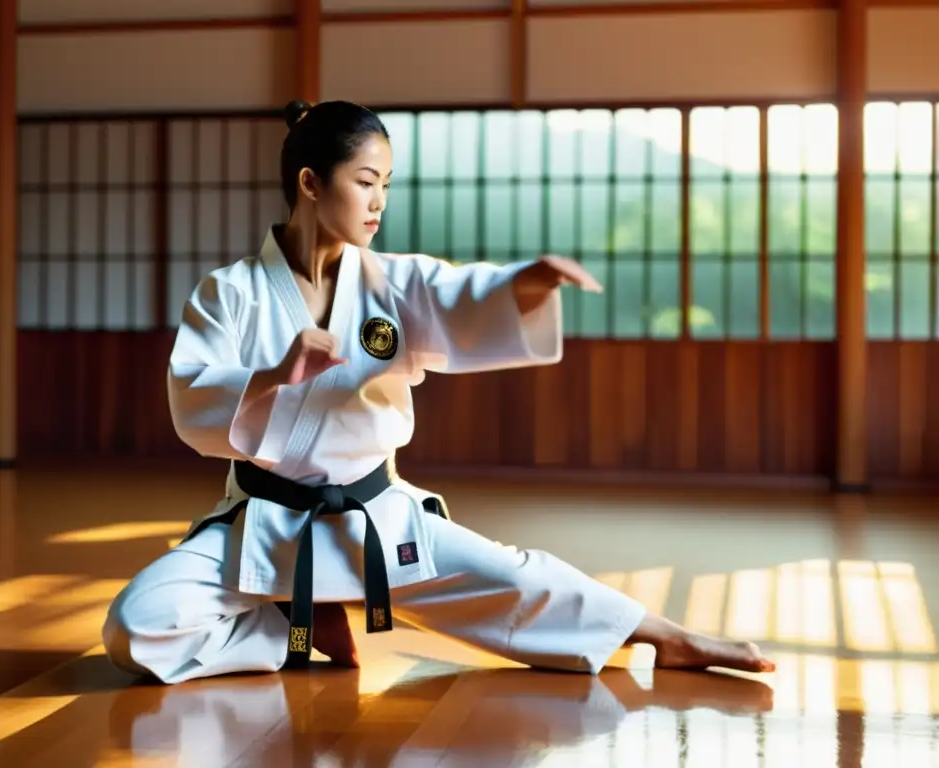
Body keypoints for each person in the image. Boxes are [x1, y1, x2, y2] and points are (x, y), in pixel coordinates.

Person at [101, 99, 776, 685]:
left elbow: (459, 296)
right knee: (137, 625)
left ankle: (663, 635)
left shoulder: (393, 282)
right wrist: (274, 372)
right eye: (365, 182)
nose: (378, 204)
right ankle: (287, 630)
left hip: (376, 521)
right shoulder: (231, 292)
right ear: (310, 182)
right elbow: (192, 395)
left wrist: (524, 286)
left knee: (515, 576)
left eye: (386, 186)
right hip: (267, 525)